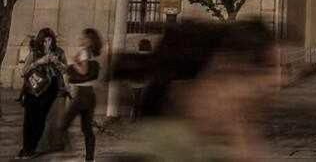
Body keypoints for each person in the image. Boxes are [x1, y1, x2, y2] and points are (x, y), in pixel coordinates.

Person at [110, 18, 277, 160]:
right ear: (184, 89)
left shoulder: (213, 148)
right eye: (225, 76)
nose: (243, 91)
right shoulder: (166, 150)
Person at [18, 27, 66, 159]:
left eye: (49, 40)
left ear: (53, 40)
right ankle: (26, 149)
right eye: (44, 41)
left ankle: (30, 148)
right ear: (40, 41)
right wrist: (38, 62)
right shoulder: (34, 53)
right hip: (32, 88)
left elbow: (65, 70)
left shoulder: (59, 52)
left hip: (50, 90)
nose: (46, 43)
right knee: (28, 120)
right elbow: (23, 72)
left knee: (39, 120)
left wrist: (57, 63)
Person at [60, 28, 103, 161]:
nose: (81, 39)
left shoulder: (84, 52)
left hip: (82, 94)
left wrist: (74, 63)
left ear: (89, 41)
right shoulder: (91, 53)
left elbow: (84, 72)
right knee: (87, 129)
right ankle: (90, 159)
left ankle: (68, 148)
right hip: (90, 94)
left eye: (83, 37)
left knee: (63, 124)